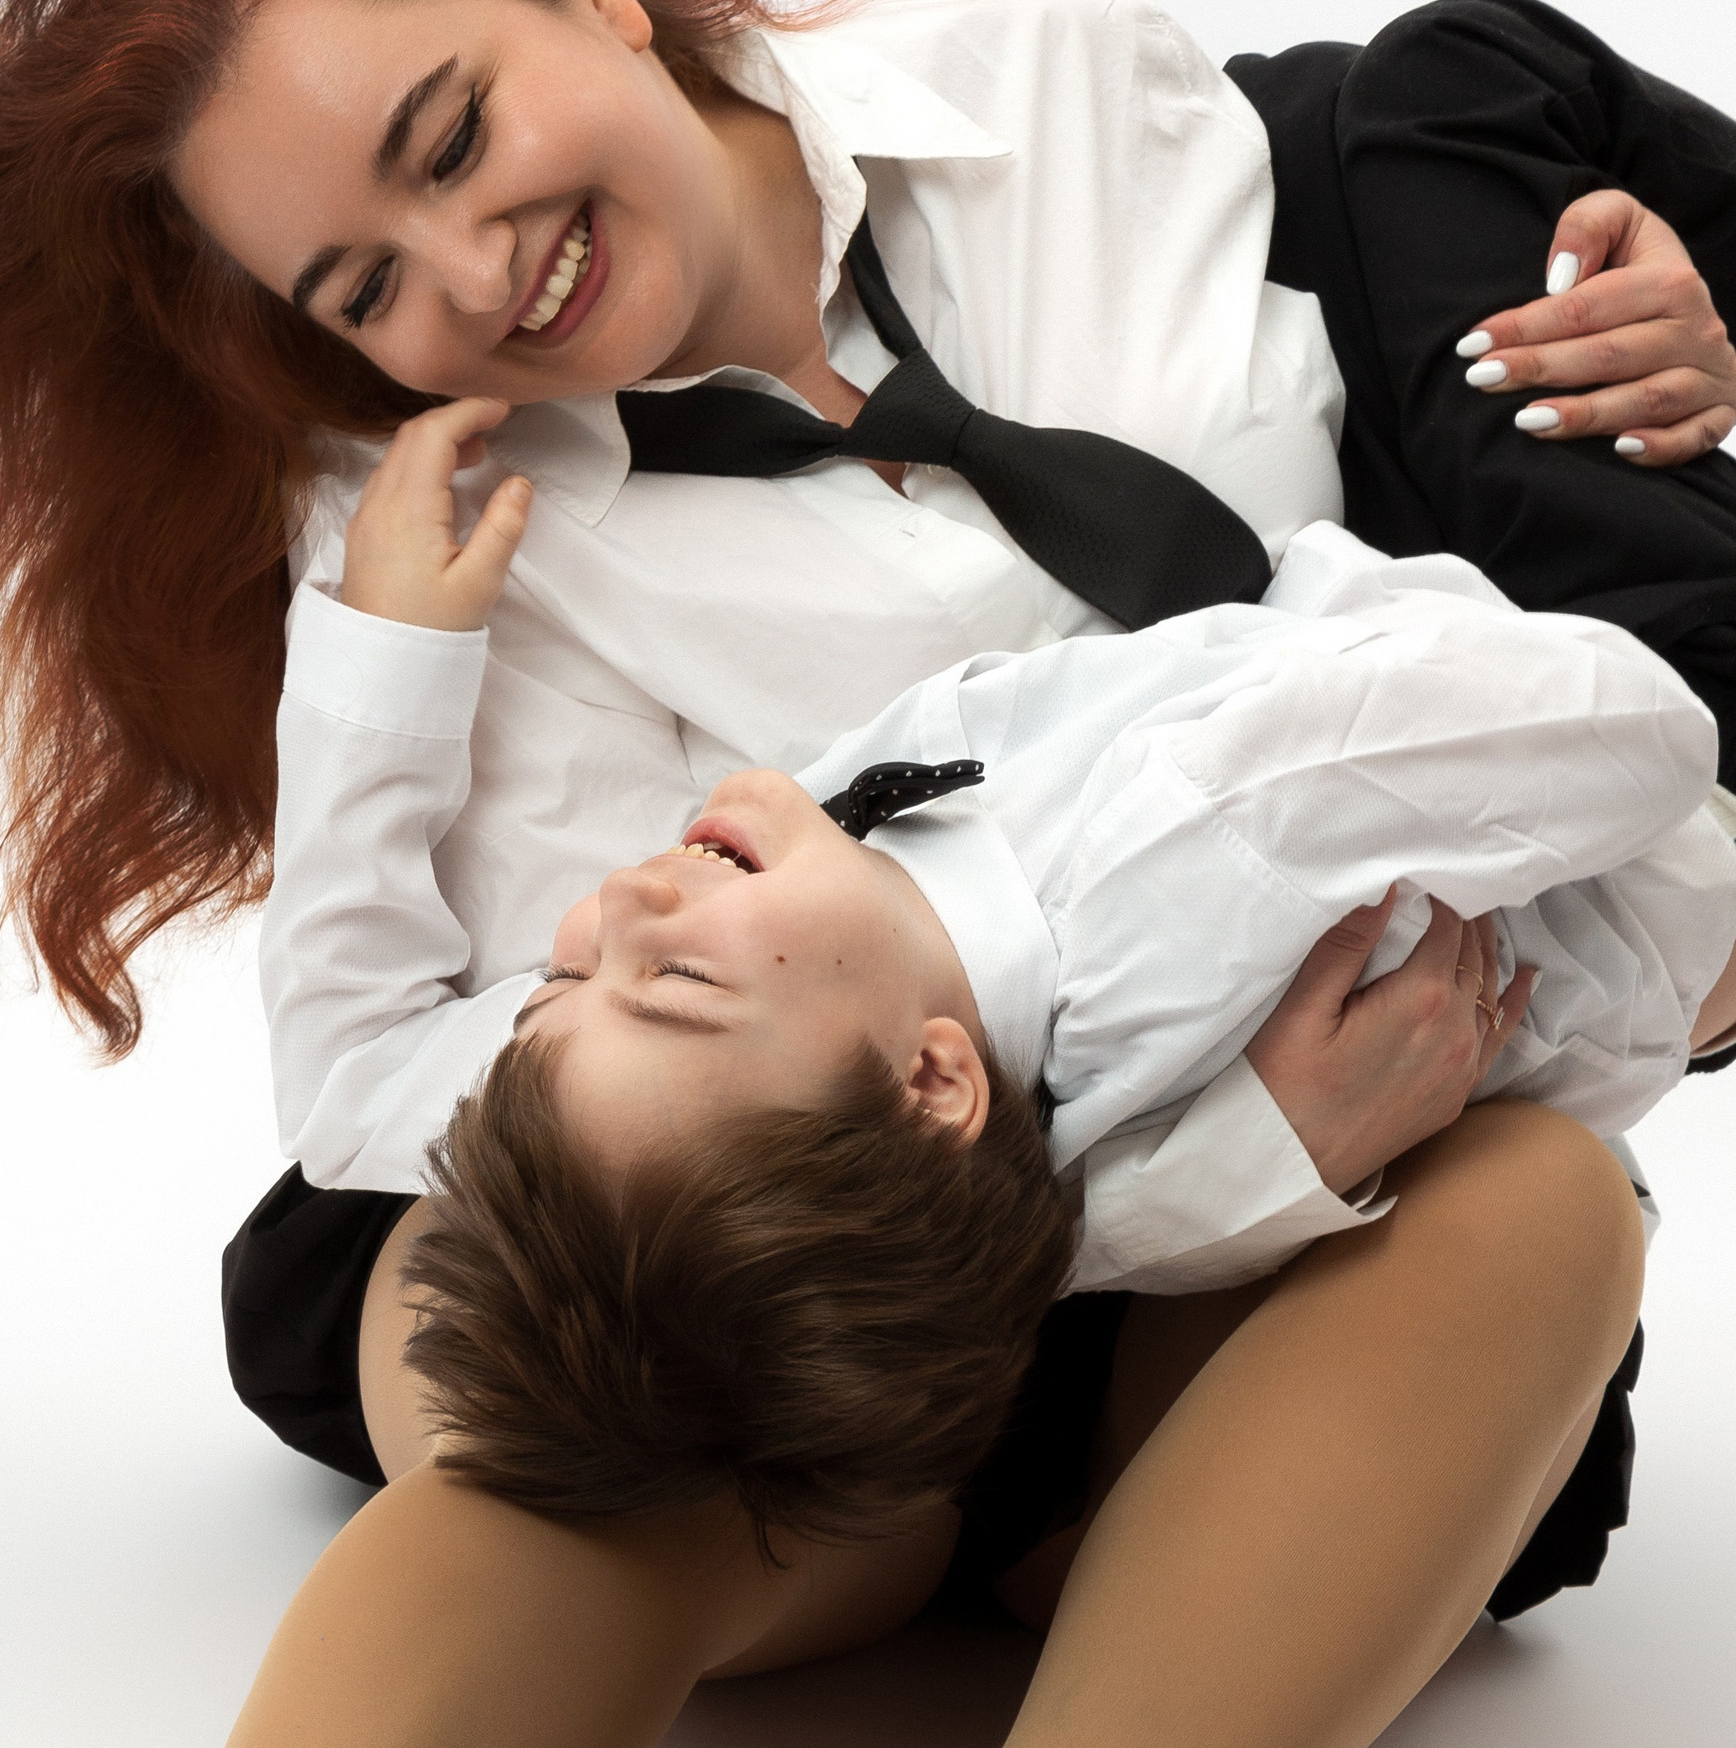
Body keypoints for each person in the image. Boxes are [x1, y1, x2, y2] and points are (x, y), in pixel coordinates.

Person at [0, 0, 1728, 1746]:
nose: (466, 276)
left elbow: (1521, 666)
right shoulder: (446, 536)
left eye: (453, 140)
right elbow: (619, 1116)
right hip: (774, 1346)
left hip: (1265, 1281)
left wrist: (1690, 375)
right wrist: (1218, 1164)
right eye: (364, 288)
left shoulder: (1065, 81)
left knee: (1539, 1200)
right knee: (540, 1315)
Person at [249, 402, 1736, 1569]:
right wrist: (1335, 651)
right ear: (931, 1080)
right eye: (676, 973)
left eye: (559, 976)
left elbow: (349, 1090)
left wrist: (385, 657)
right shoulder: (1202, 837)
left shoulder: (822, 1015)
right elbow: (1645, 730)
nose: (613, 901)